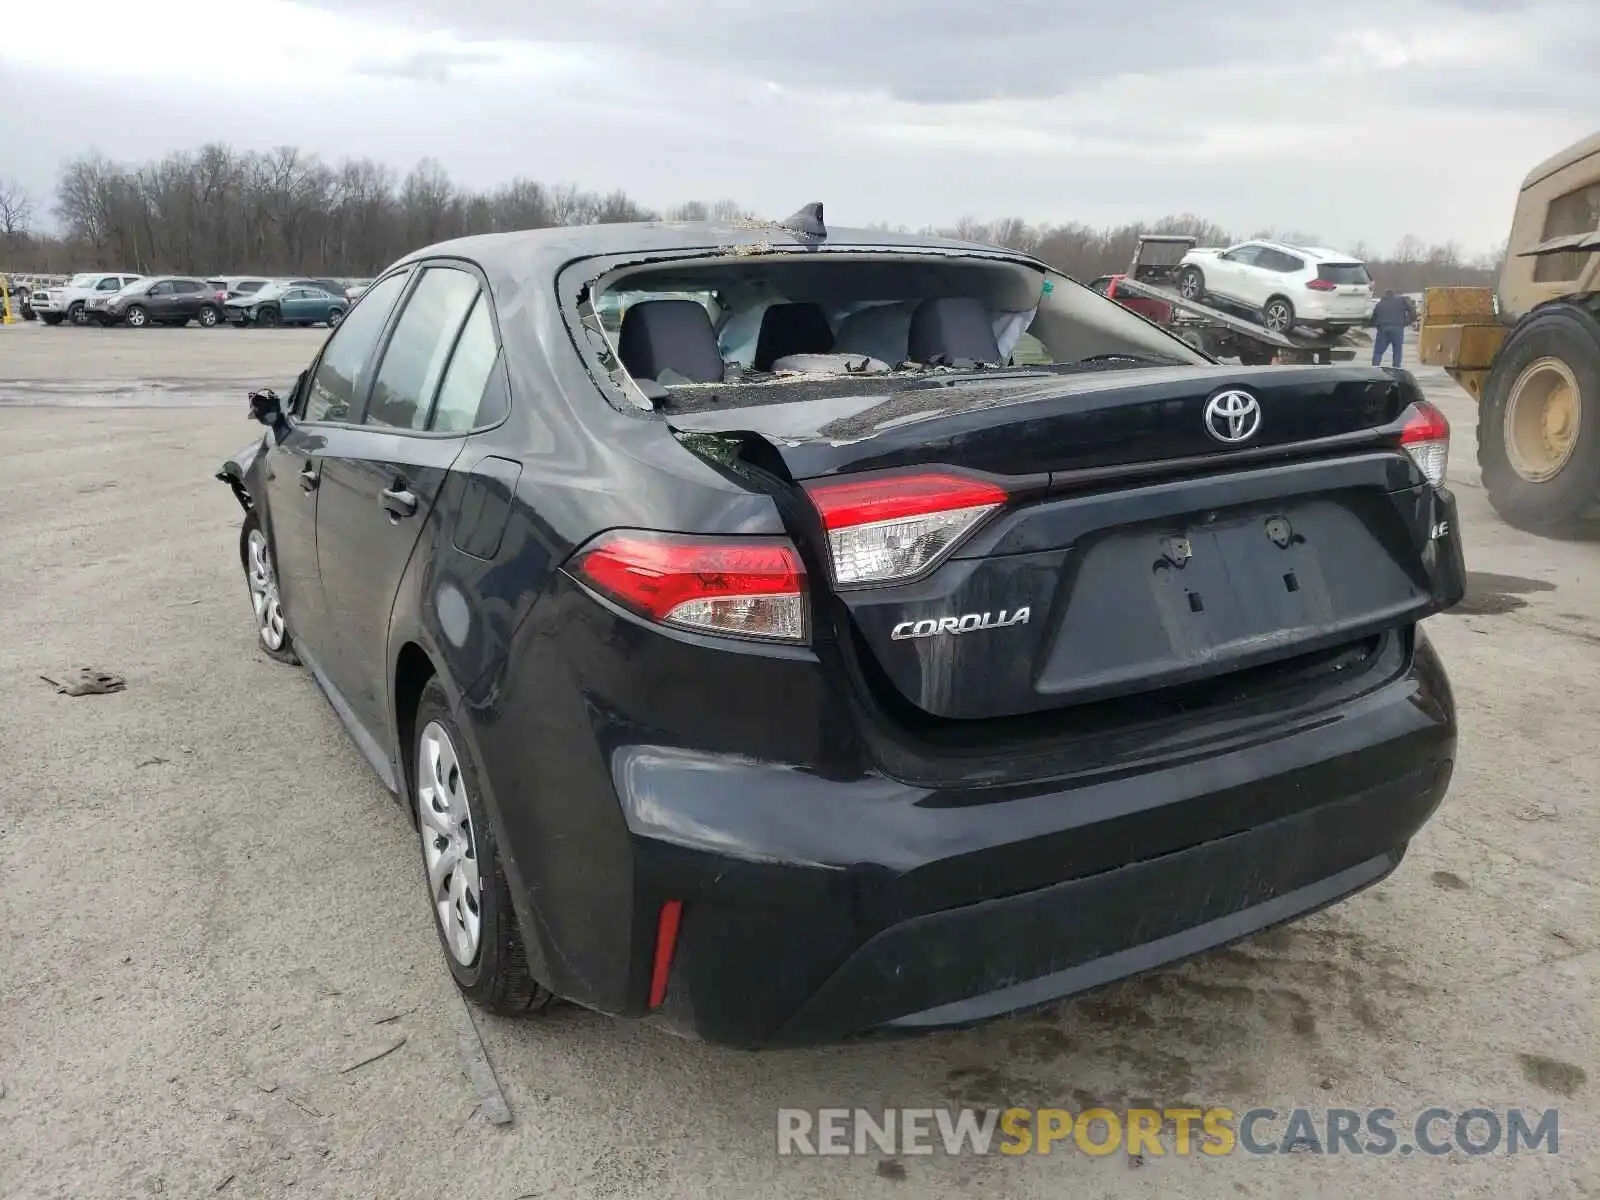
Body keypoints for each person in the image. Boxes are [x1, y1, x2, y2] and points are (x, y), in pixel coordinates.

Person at [1370, 289, 1412, 368]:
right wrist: (1408, 321)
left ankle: (1375, 367)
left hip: (1383, 328)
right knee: (1397, 351)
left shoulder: (1380, 304)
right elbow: (1411, 310)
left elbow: (1373, 318)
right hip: (1397, 328)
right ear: (1394, 295)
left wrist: (1376, 325)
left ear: (1385, 295)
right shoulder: (1401, 301)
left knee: (1378, 351)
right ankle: (1396, 369)